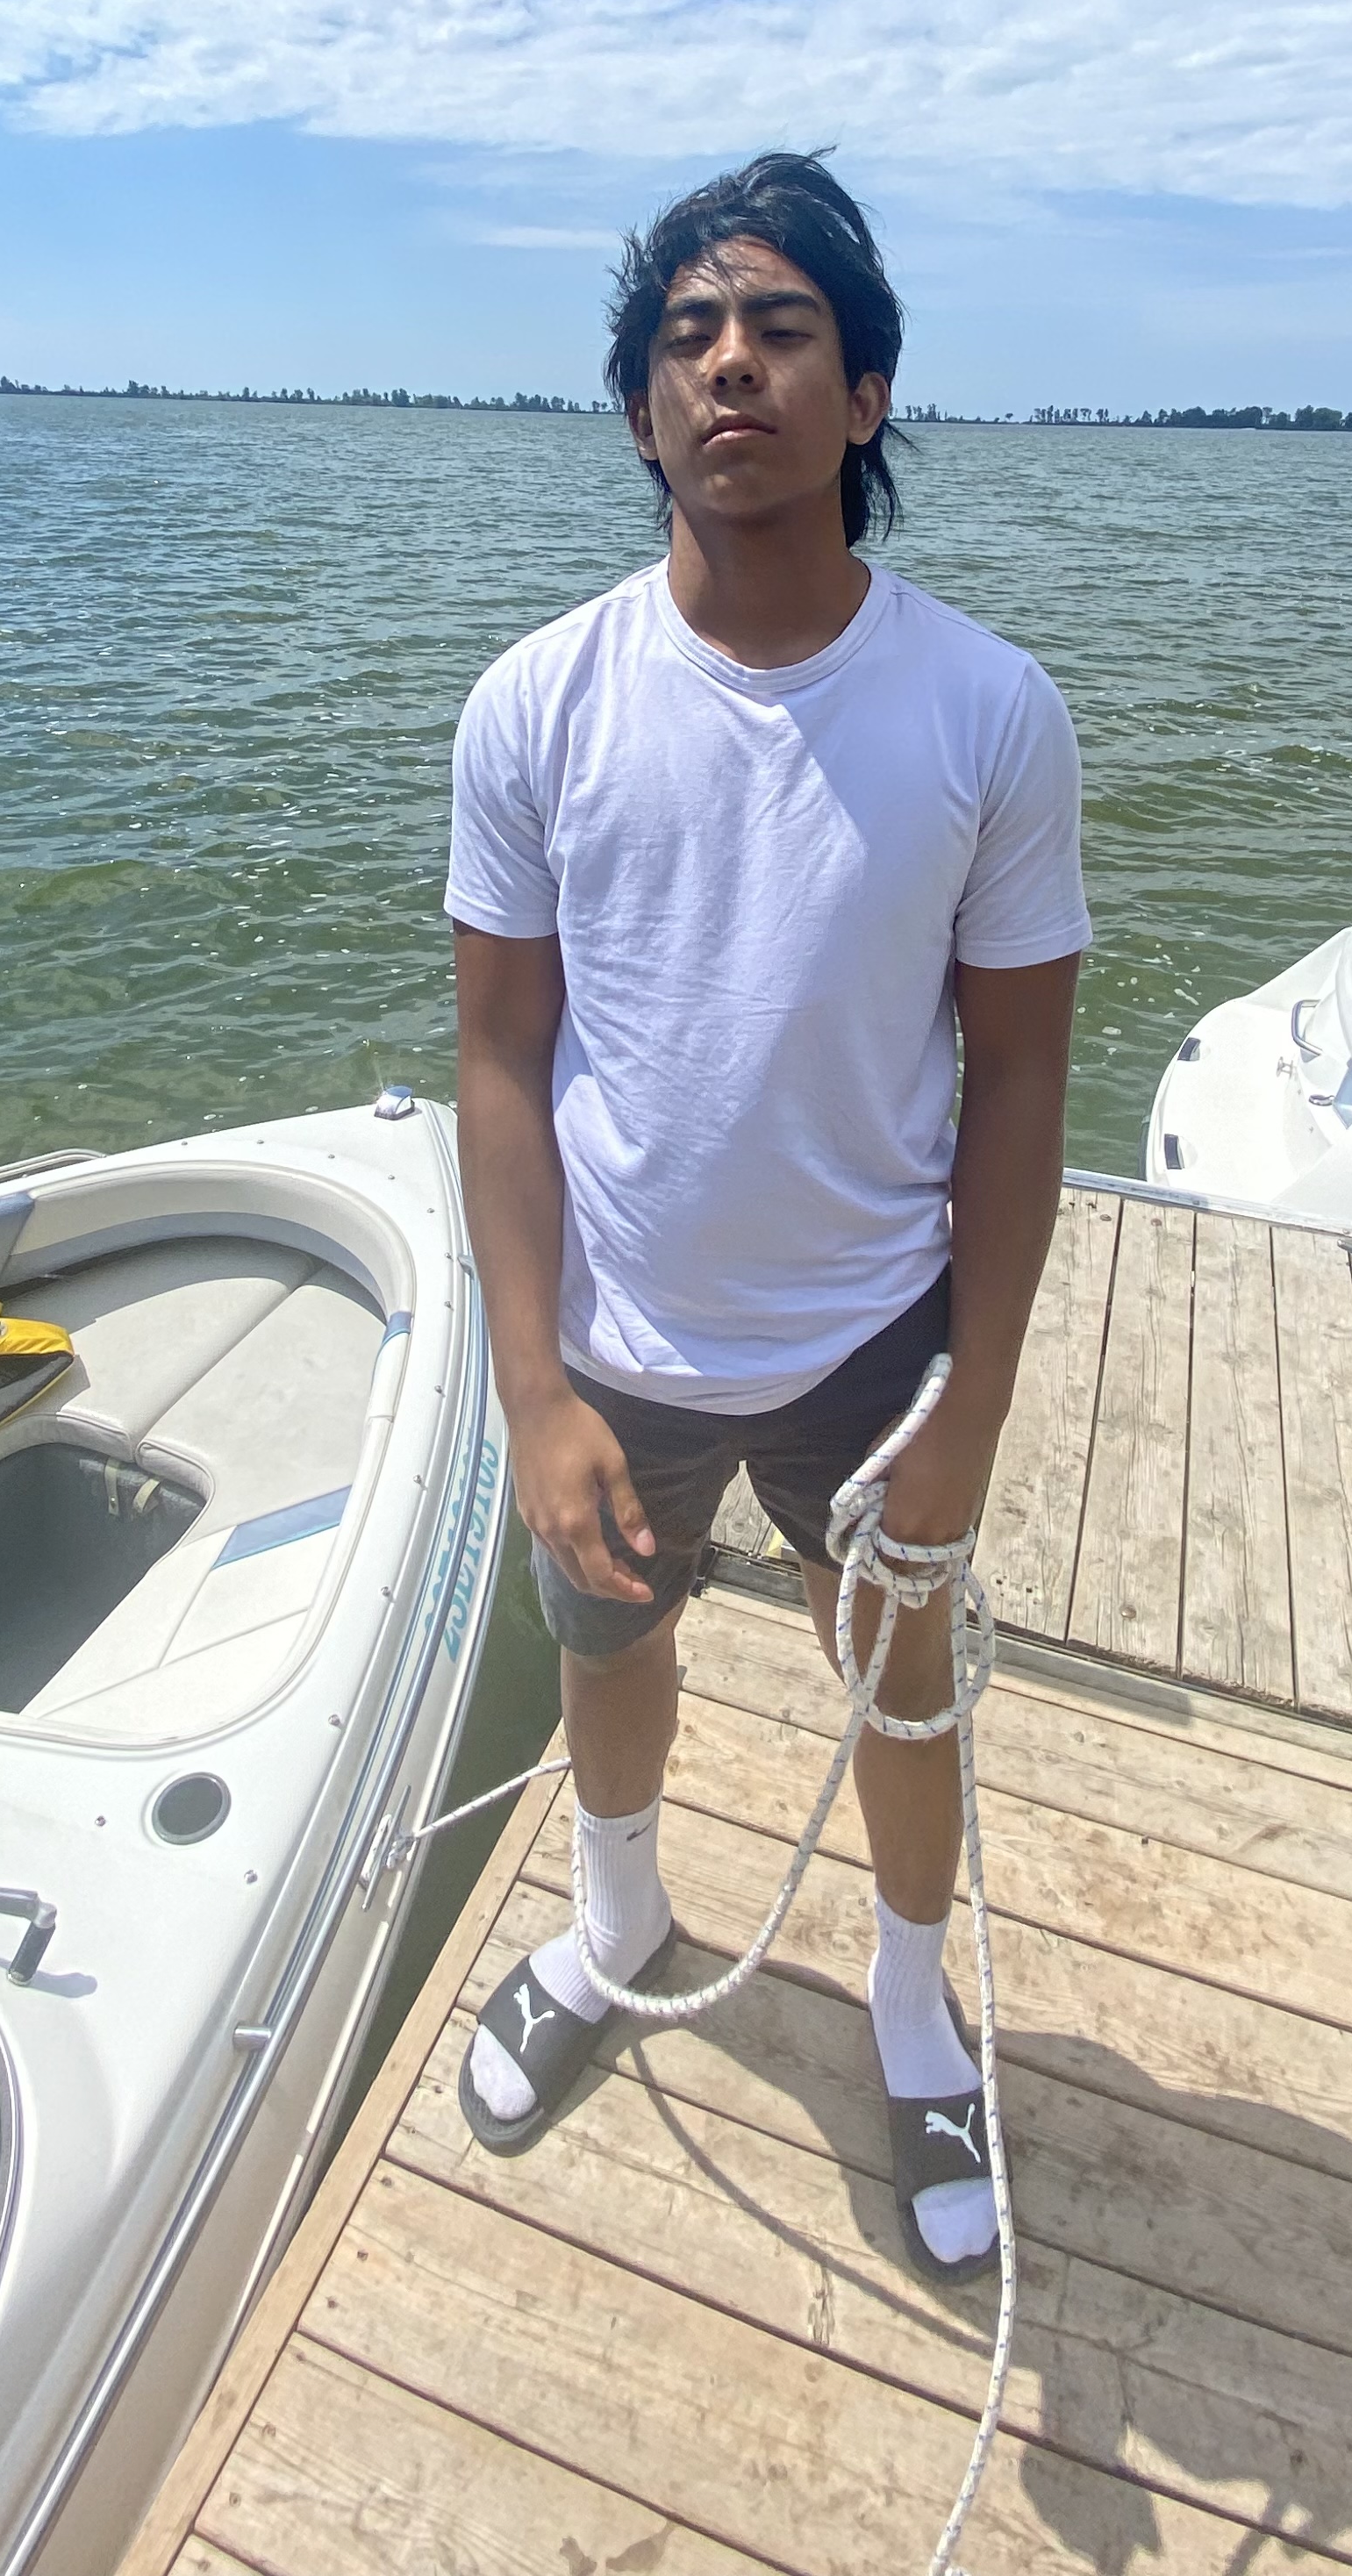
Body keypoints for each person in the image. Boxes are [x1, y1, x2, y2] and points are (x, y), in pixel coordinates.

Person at [445, 152, 1087, 2280]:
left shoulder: (987, 710)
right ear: (643, 412)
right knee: (607, 1647)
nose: (731, 364)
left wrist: (975, 1396)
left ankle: (912, 2011)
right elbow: (502, 1061)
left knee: (904, 1688)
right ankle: (617, 1924)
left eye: (782, 328)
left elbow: (1019, 1078)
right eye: (687, 338)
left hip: (871, 1345)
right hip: (616, 1327)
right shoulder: (537, 702)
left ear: (866, 393)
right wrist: (533, 1388)